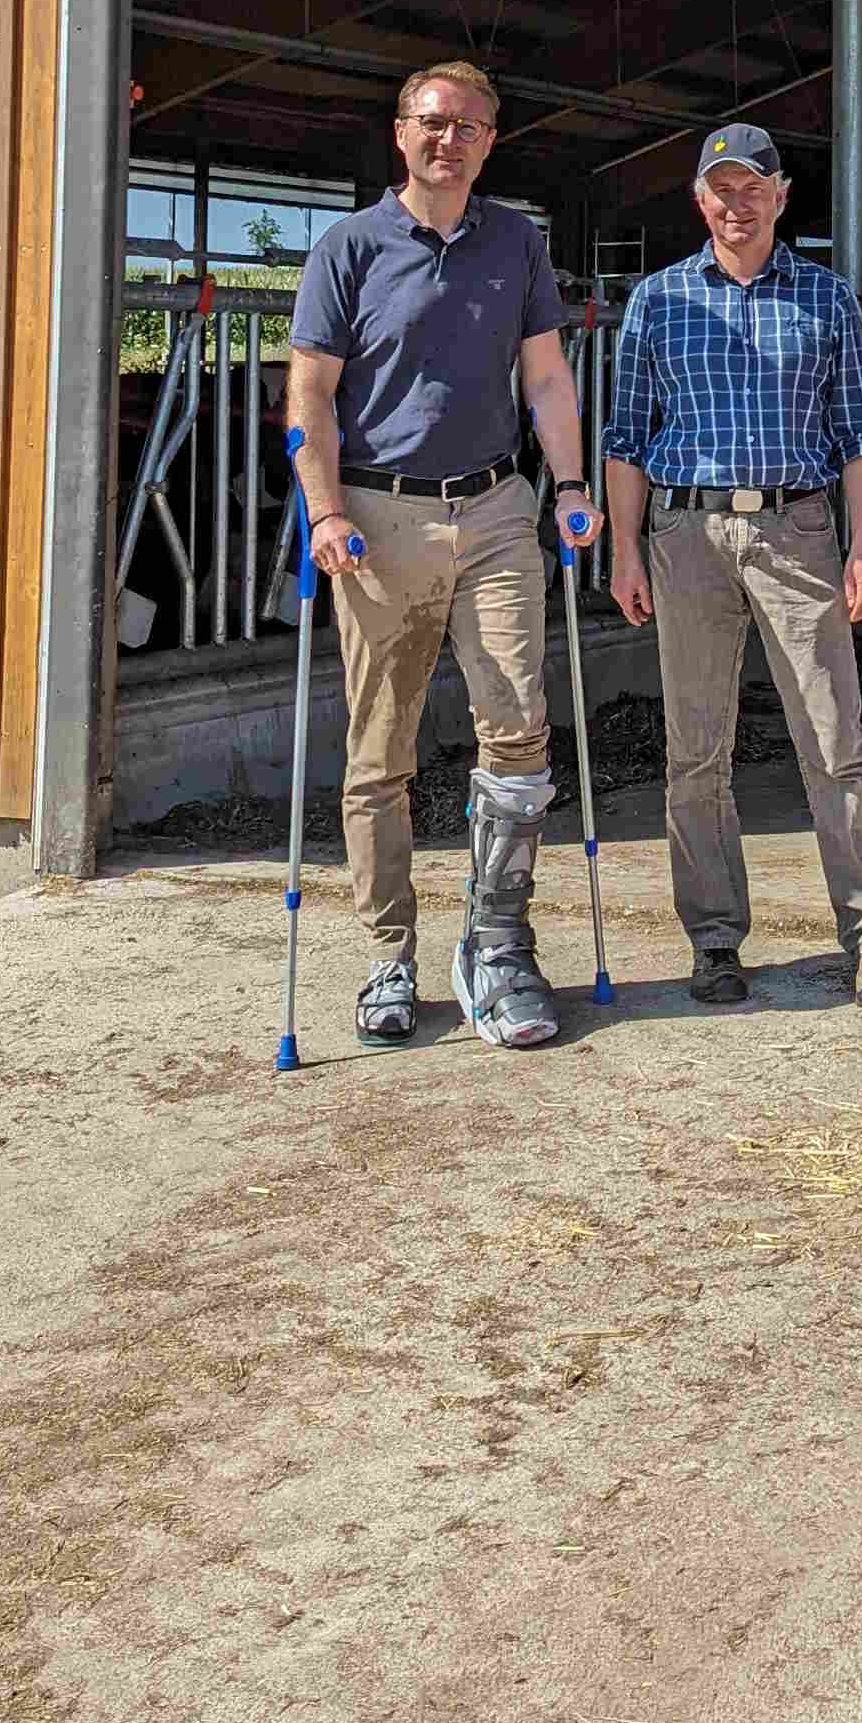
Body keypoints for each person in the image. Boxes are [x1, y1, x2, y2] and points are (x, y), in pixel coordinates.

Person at [283, 59, 601, 1053]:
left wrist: (574, 485)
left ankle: (499, 943)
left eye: (467, 126)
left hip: (499, 507)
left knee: (519, 725)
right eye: (432, 122)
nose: (448, 138)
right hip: (381, 519)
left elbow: (545, 376)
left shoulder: (517, 243)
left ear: (491, 142)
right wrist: (325, 509)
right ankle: (388, 953)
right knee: (380, 751)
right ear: (400, 133)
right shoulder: (349, 248)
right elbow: (311, 398)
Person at [602, 126, 862, 1014]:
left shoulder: (824, 299)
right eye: (719, 188)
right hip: (687, 534)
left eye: (753, 187)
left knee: (833, 736)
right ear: (699, 200)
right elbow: (625, 440)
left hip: (797, 528)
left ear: (782, 196)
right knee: (695, 749)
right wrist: (625, 550)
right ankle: (712, 939)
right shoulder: (657, 302)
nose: (736, 203)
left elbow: (861, 438)